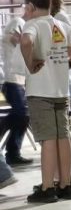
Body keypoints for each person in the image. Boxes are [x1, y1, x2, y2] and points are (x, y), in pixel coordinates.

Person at [20, 0, 71, 204]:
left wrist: (31, 62)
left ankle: (47, 188)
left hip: (40, 92)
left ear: (31, 6)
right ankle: (65, 184)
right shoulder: (59, 25)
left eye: (25, 7)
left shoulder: (32, 24)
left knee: (48, 139)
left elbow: (26, 42)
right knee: (63, 136)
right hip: (61, 92)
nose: (25, 11)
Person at [0, 10, 31, 166]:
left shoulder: (24, 25)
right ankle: (12, 152)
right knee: (22, 114)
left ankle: (13, 152)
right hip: (12, 80)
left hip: (18, 80)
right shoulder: (18, 22)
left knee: (22, 115)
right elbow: (12, 40)